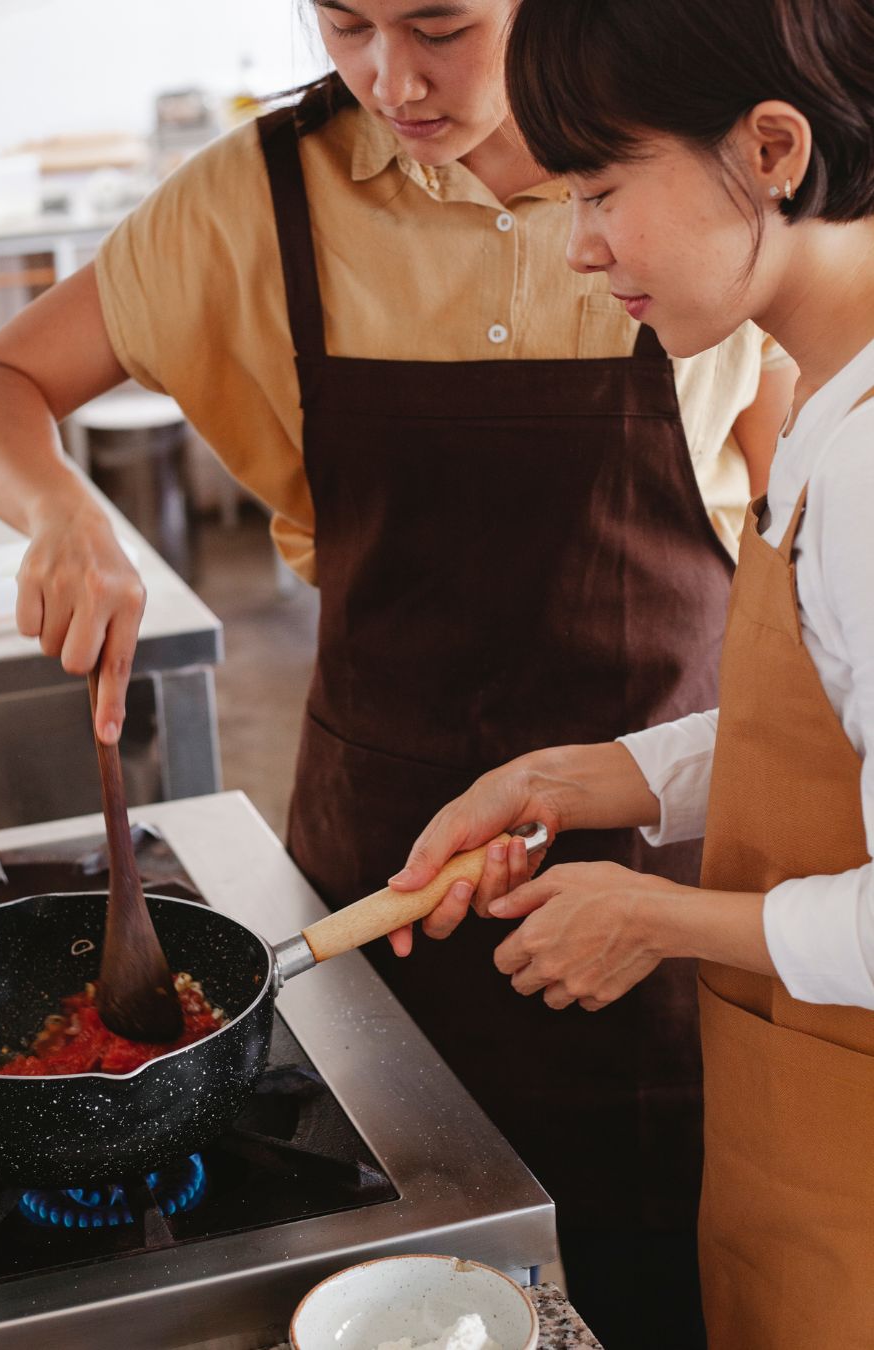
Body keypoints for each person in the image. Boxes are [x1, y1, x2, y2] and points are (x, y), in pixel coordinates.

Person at [0, 4, 792, 1343]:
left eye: (441, 24)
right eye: (347, 22)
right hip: (385, 888)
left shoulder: (696, 178)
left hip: (659, 884)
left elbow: (799, 549)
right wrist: (64, 515)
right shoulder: (259, 197)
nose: (393, 76)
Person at [389, 0, 874, 1344]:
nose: (580, 247)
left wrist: (656, 920)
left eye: (601, 187)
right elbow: (832, 721)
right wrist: (593, 775)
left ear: (772, 147)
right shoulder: (827, 397)